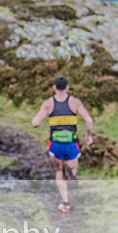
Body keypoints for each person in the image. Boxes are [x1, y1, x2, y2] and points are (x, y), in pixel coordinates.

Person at [31, 76, 94, 213]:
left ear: (54, 87)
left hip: (56, 144)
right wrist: (88, 136)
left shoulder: (48, 104)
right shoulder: (75, 103)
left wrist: (41, 118)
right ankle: (72, 178)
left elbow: (35, 123)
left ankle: (65, 202)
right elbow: (89, 120)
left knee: (59, 171)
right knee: (72, 169)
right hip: (71, 143)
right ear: (67, 87)